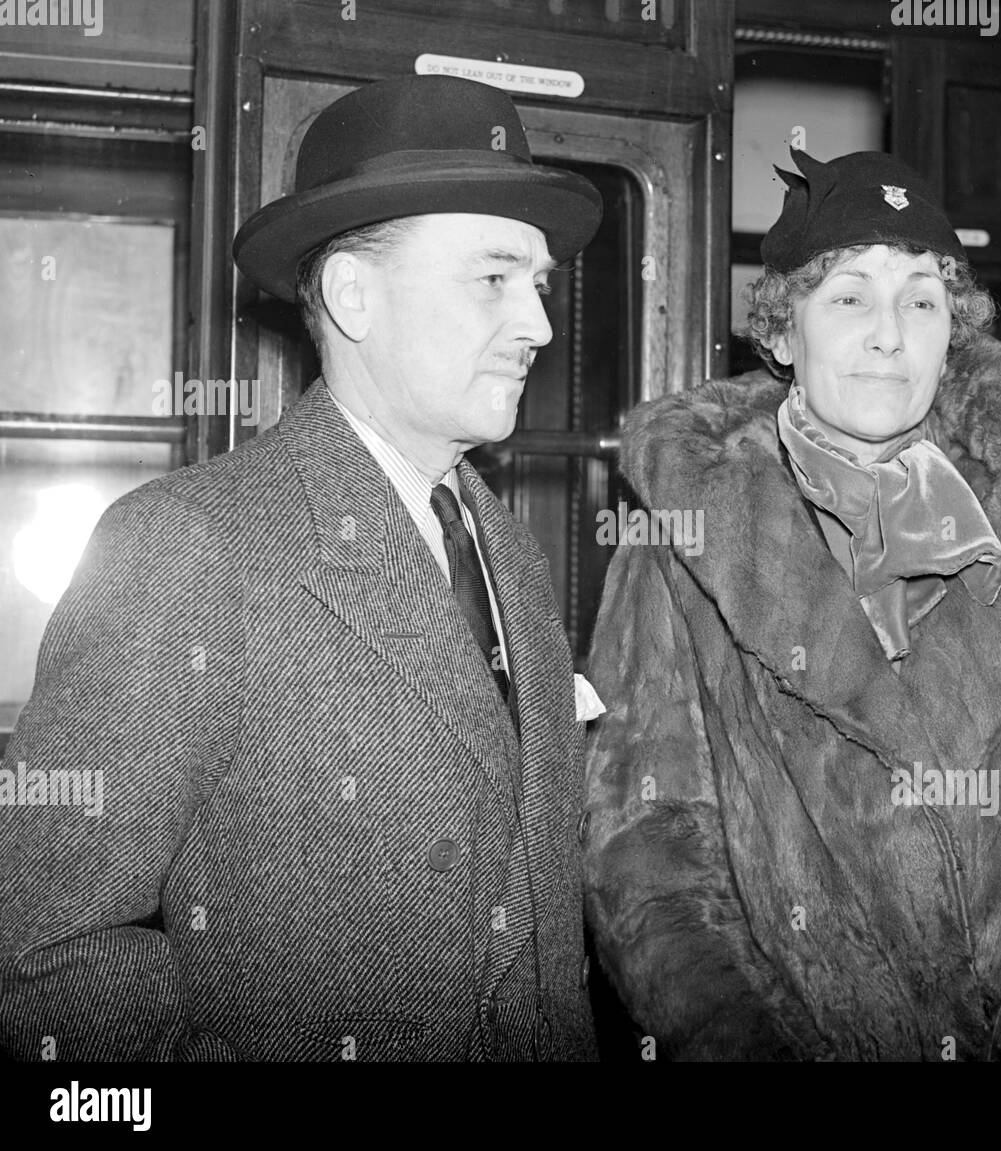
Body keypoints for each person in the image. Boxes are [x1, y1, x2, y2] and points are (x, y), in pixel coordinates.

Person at [0, 75, 605, 1061]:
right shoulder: (186, 545)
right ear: (351, 293)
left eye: (539, 282)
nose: (538, 321)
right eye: (494, 277)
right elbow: (36, 958)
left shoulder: (514, 555)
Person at [582, 149, 1001, 1061]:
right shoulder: (688, 532)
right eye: (849, 298)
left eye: (921, 299)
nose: (891, 334)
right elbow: (646, 848)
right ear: (785, 333)